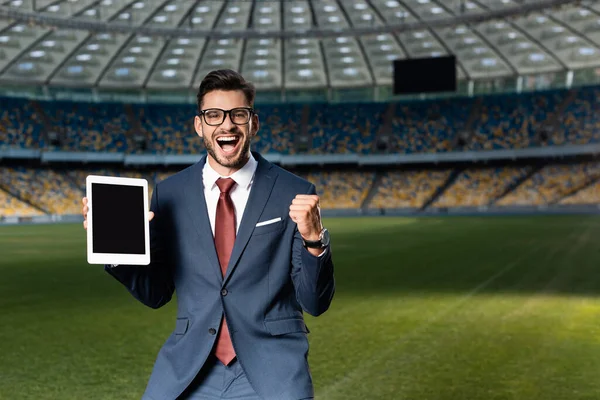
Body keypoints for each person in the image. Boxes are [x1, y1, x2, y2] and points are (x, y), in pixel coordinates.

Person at [81, 69, 335, 400]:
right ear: (199, 126)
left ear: (253, 124)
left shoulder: (294, 191)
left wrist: (315, 241)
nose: (226, 125)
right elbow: (156, 293)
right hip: (191, 366)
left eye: (238, 115)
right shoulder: (170, 193)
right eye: (213, 115)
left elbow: (314, 302)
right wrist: (115, 248)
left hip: (270, 367)